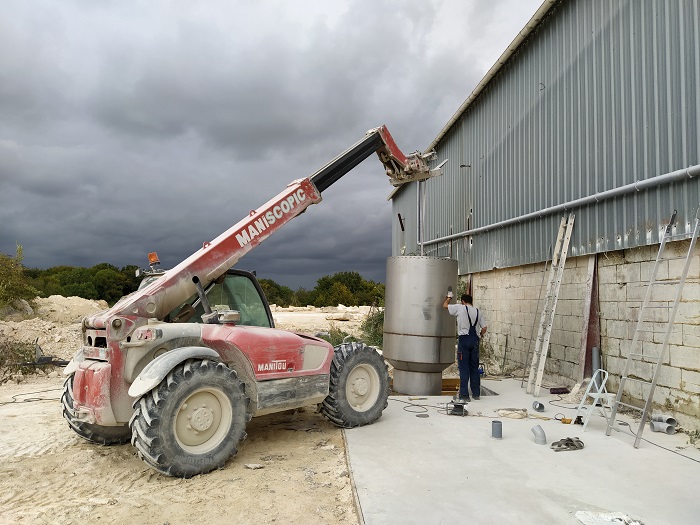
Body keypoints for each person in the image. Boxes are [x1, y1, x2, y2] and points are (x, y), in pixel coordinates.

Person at [443, 292, 487, 402]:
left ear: (463, 301)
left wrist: (448, 298)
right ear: (471, 302)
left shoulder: (460, 308)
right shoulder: (478, 311)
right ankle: (476, 394)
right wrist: (480, 335)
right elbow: (484, 328)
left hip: (464, 340)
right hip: (475, 341)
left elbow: (444, 306)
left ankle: (464, 395)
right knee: (474, 368)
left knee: (464, 368)